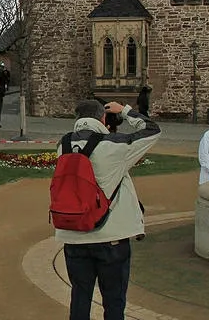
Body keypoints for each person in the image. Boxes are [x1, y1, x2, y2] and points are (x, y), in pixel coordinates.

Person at [58, 99, 160, 320]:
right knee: (113, 301)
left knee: (80, 298)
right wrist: (124, 111)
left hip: (73, 235)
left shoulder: (63, 145)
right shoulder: (113, 145)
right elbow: (152, 130)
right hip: (110, 237)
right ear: (102, 118)